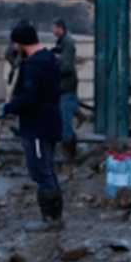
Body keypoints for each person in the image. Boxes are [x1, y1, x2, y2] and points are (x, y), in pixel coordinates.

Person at [0, 22, 64, 231]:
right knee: (48, 169)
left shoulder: (33, 67)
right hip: (51, 122)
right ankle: (56, 216)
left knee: (41, 172)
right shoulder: (50, 60)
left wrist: (8, 108)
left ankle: (50, 219)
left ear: (20, 43)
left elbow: (28, 99)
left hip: (37, 126)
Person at [51, 18, 79, 160]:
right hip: (63, 86)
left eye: (53, 27)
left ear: (60, 28)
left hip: (67, 86)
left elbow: (67, 66)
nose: (52, 30)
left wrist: (54, 66)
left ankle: (68, 154)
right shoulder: (62, 42)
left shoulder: (67, 42)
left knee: (65, 120)